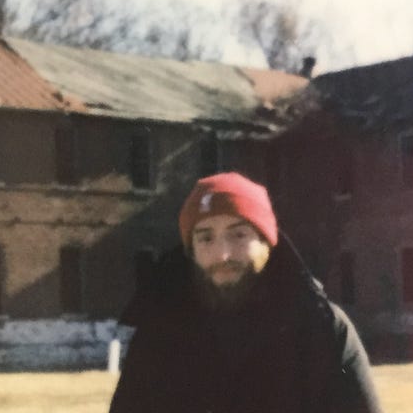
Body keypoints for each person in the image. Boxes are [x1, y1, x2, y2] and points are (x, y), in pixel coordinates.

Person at [109, 172, 382, 413]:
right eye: (205, 237)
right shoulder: (158, 337)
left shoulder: (323, 331)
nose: (223, 254)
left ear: (267, 242)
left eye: (238, 234)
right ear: (190, 252)